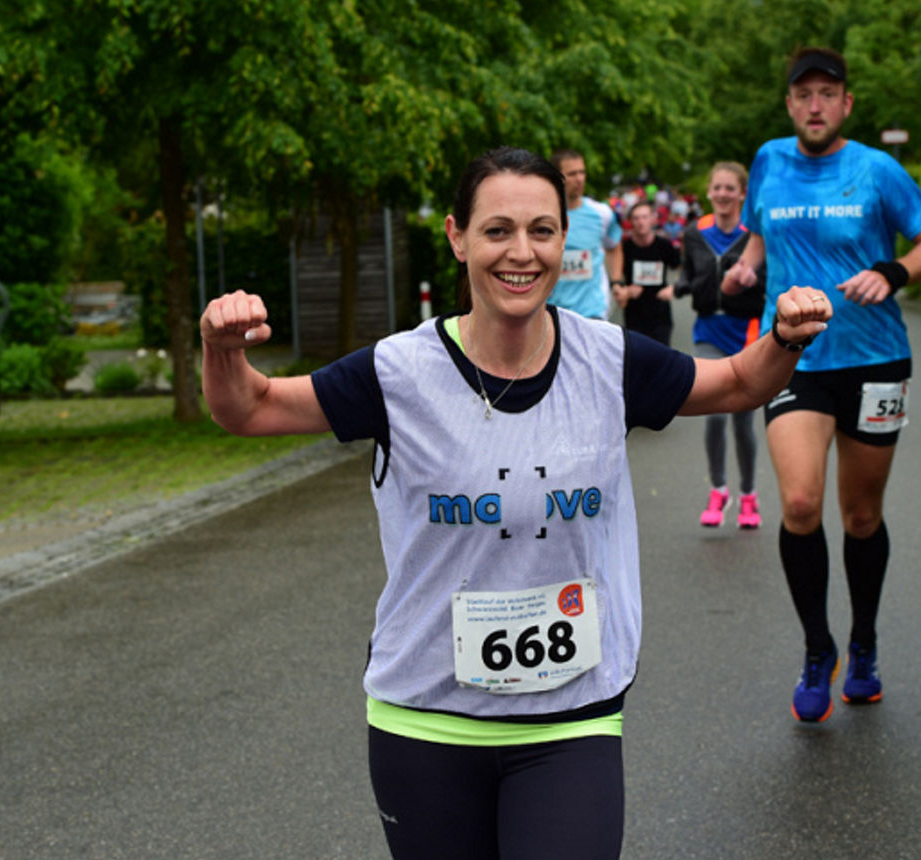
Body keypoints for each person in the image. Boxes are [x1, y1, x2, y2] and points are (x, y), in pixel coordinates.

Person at [200, 146, 832, 859]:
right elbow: (248, 409)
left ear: (567, 240)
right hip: (426, 721)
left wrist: (783, 336)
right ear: (456, 236)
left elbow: (741, 385)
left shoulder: (609, 361)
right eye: (497, 230)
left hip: (572, 719)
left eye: (542, 230)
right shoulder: (397, 373)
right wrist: (220, 349)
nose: (521, 253)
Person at [725, 47, 921, 723]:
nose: (816, 105)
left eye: (829, 93)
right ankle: (817, 648)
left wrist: (895, 272)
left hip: (875, 359)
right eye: (804, 95)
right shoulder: (768, 159)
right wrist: (746, 265)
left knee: (860, 516)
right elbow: (763, 233)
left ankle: (863, 643)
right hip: (792, 355)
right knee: (800, 503)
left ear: (846, 104)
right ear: (789, 104)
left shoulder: (876, 169)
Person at [672, 162, 767, 530]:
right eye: (718, 188)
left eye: (731, 188)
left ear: (743, 193)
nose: (724, 194)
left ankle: (748, 495)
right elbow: (688, 272)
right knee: (713, 412)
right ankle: (718, 489)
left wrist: (745, 283)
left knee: (743, 421)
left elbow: (771, 279)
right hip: (708, 331)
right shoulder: (696, 231)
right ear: (709, 192)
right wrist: (680, 287)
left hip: (748, 333)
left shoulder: (755, 234)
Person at [549, 148, 623, 320]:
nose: (580, 179)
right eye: (572, 174)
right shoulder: (541, 216)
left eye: (582, 172)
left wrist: (616, 281)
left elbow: (614, 246)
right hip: (553, 313)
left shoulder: (602, 213)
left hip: (593, 313)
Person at [615, 200, 680, 346]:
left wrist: (673, 288)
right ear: (630, 221)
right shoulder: (625, 248)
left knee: (661, 361)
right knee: (637, 362)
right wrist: (624, 290)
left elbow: (684, 270)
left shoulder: (664, 246)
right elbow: (615, 277)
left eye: (644, 217)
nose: (641, 222)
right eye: (636, 218)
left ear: (653, 219)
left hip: (660, 313)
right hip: (634, 314)